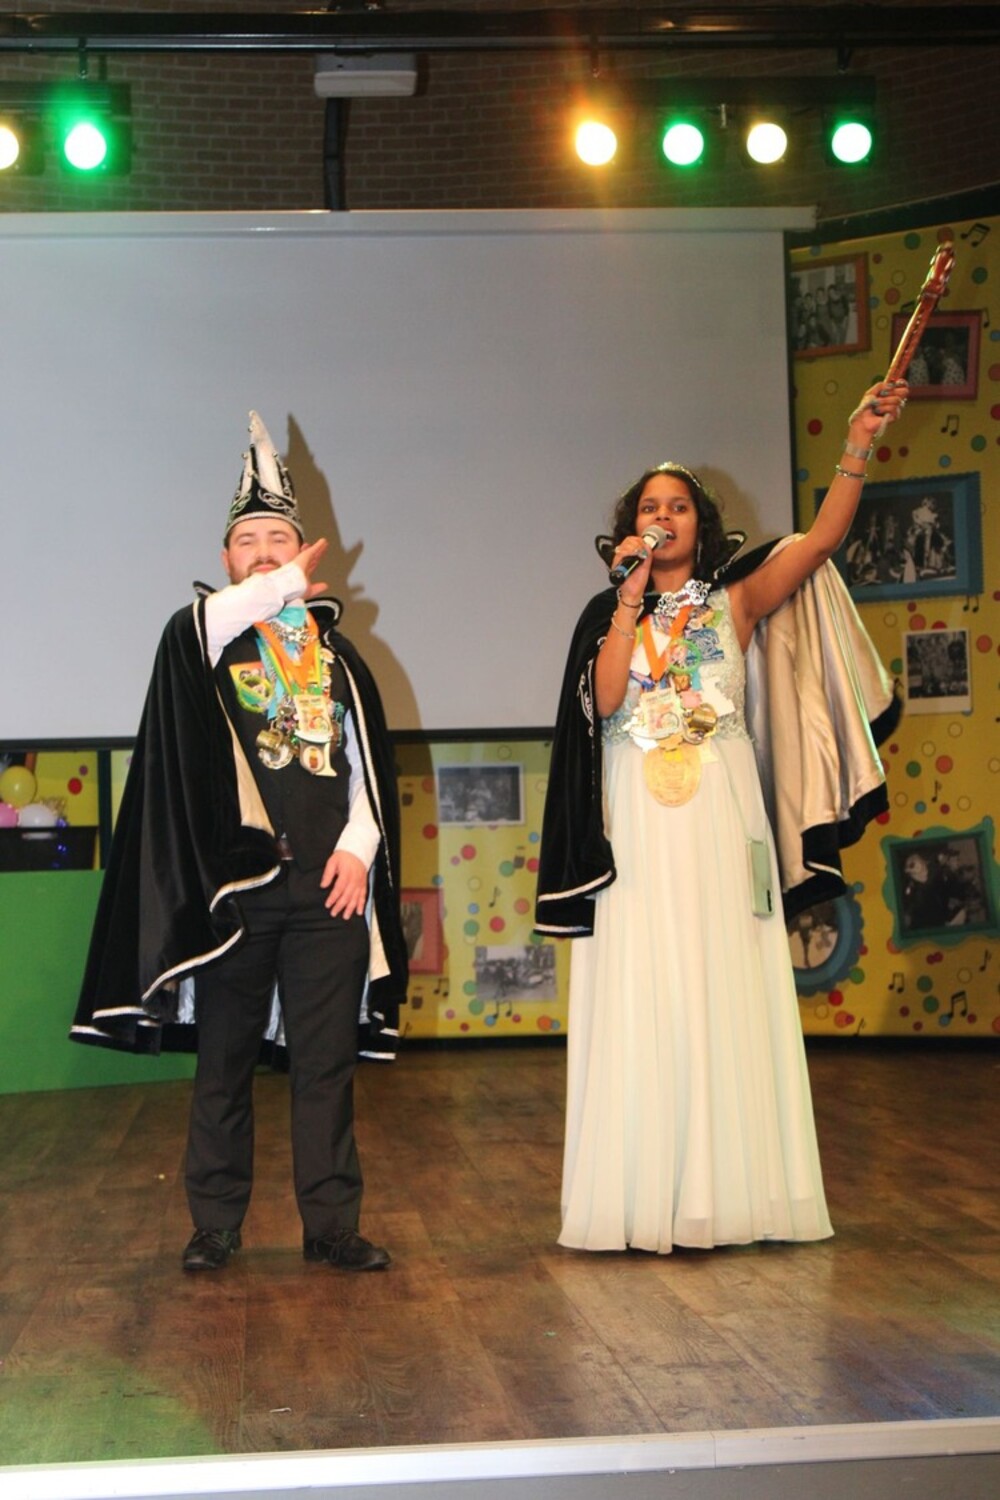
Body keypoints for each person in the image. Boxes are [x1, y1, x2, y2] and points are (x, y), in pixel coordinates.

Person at [535, 379, 908, 1255]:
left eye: (679, 507)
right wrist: (628, 603)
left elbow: (822, 541)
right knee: (646, 985)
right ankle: (643, 1196)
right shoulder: (607, 613)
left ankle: (733, 1193)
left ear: (701, 526)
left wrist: (857, 444)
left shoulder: (735, 600)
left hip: (719, 810)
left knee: (721, 982)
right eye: (649, 507)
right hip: (636, 813)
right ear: (628, 530)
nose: (664, 516)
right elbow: (607, 698)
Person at [72, 413, 408, 1274]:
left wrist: (358, 849)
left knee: (325, 1068)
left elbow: (367, 772)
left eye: (278, 539)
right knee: (223, 1064)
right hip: (239, 896)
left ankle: (331, 1226)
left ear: (304, 549)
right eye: (248, 542)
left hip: (329, 893)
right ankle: (215, 1223)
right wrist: (280, 584)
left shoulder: (338, 660)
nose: (263, 554)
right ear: (225, 560)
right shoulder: (206, 646)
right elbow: (205, 624)